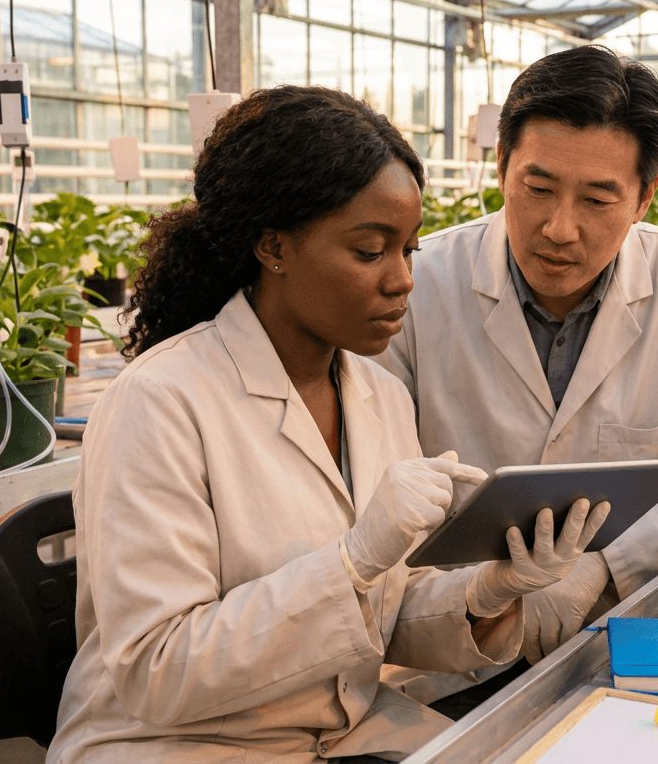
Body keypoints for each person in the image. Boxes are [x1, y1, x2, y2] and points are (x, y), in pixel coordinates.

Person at [47, 86, 609, 764]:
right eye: (371, 251)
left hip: (342, 728)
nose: (403, 280)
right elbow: (157, 672)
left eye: (409, 249)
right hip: (177, 743)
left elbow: (383, 617)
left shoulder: (378, 394)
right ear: (273, 246)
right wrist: (352, 562)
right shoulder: (159, 404)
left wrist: (486, 593)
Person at [376, 45, 658, 677]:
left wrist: (603, 565)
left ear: (645, 198)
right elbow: (371, 472)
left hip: (625, 633)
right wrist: (491, 589)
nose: (560, 228)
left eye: (597, 200)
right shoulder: (418, 285)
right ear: (502, 167)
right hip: (444, 647)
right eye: (537, 188)